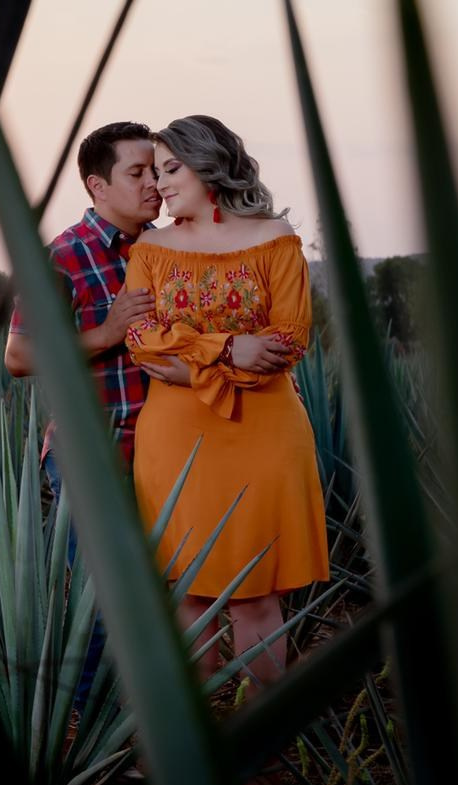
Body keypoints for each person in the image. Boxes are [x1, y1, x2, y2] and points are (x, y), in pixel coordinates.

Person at [123, 115, 330, 690]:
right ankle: (193, 746)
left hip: (264, 432)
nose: (158, 185)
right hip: (176, 437)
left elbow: (289, 342)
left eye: (170, 169)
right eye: (153, 172)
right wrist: (230, 348)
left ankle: (259, 754)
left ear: (209, 166)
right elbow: (142, 343)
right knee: (189, 590)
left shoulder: (276, 240)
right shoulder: (152, 248)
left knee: (255, 596)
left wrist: (190, 365)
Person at [4, 121, 161, 711]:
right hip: (91, 453)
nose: (153, 184)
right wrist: (107, 333)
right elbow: (18, 356)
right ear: (98, 185)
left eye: (156, 170)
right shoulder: (66, 254)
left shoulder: (167, 248)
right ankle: (93, 733)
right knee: (103, 597)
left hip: (163, 452)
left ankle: (142, 721)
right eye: (137, 173)